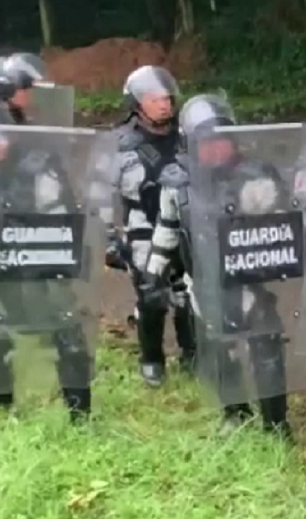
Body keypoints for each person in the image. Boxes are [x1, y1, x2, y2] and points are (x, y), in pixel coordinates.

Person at [148, 93, 300, 435]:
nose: (216, 149)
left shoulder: (254, 178)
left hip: (249, 283)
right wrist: (153, 272)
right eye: (207, 143)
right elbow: (168, 229)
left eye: (222, 141)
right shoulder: (176, 183)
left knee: (266, 346)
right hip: (204, 285)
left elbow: (281, 226)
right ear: (190, 144)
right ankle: (234, 413)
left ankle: (276, 423)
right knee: (219, 350)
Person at [0, 97, 111, 423]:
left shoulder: (39, 169)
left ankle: (79, 414)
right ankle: (1, 408)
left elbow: (64, 219)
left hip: (44, 268)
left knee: (69, 334)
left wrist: (51, 256)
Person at [111, 65, 196, 387]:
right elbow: (99, 195)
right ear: (136, 103)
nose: (164, 105)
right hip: (143, 228)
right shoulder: (121, 145)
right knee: (152, 294)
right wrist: (107, 239)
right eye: (154, 99)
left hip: (183, 224)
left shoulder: (188, 137)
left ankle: (193, 354)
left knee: (189, 293)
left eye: (167, 99)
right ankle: (152, 358)